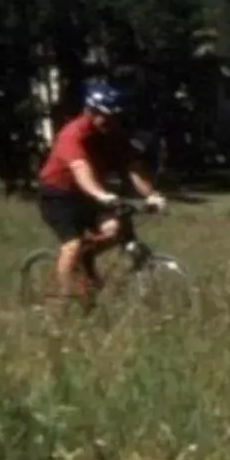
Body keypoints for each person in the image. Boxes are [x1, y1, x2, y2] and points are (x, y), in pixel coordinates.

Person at [36, 81, 165, 306]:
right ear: (90, 110)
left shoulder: (112, 134)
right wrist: (100, 194)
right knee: (72, 245)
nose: (109, 121)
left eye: (114, 116)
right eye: (104, 116)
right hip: (58, 194)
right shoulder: (72, 135)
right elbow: (81, 168)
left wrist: (151, 194)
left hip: (89, 193)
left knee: (114, 229)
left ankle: (87, 257)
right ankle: (64, 300)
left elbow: (131, 167)